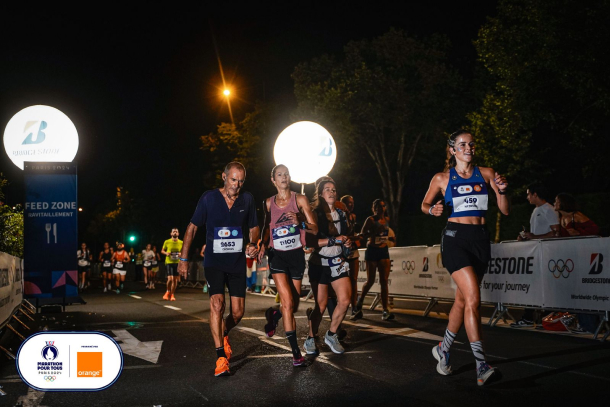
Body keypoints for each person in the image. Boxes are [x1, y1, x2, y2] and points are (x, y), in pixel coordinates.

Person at [422, 129, 509, 386]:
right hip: (455, 240)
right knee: (473, 297)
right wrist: (432, 210)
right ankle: (481, 365)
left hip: (480, 241)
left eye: (471, 144)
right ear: (452, 150)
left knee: (461, 301)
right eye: (462, 145)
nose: (468, 148)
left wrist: (502, 191)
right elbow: (424, 205)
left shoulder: (488, 173)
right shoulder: (441, 178)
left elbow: (504, 211)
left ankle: (444, 349)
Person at [178, 162, 259, 377]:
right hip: (214, 262)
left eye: (241, 181)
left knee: (238, 313)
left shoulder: (247, 199)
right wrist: (184, 258)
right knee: (217, 304)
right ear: (224, 177)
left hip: (236, 263)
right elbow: (192, 227)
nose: (237, 185)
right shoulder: (209, 198)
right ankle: (221, 357)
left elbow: (254, 227)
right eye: (233, 179)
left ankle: (222, 332)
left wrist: (254, 243)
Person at [258, 164, 318, 367]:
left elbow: (314, 227)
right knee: (287, 303)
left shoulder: (299, 199)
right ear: (273, 179)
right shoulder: (268, 203)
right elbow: (267, 228)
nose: (284, 177)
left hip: (295, 256)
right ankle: (295, 352)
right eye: (279, 174)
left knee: (294, 304)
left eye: (286, 174)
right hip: (277, 256)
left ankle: (274, 315)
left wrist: (301, 221)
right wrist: (261, 245)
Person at [304, 178, 352, 355]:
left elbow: (346, 237)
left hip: (337, 262)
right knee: (321, 305)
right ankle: (310, 337)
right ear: (321, 193)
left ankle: (331, 334)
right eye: (327, 189)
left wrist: (347, 243)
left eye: (334, 189)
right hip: (320, 262)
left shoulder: (342, 214)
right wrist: (334, 240)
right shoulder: (315, 214)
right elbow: (311, 242)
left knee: (345, 300)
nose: (332, 192)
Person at [511, 184, 559, 328]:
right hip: (537, 254)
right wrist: (526, 237)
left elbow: (556, 233)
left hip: (547, 255)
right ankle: (534, 318)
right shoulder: (536, 210)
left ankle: (541, 318)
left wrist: (534, 236)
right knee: (535, 286)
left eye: (528, 194)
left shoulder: (549, 210)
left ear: (535, 194)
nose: (527, 197)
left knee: (544, 286)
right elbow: (536, 234)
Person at [353, 199, 396, 321]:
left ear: (385, 208)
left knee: (384, 281)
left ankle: (385, 311)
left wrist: (391, 238)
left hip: (383, 251)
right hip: (372, 250)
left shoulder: (387, 220)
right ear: (374, 208)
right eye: (377, 206)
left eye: (382, 206)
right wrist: (373, 232)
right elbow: (362, 235)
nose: (380, 208)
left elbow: (389, 234)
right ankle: (360, 302)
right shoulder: (370, 220)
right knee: (370, 280)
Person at [340, 195, 362, 318]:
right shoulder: (339, 216)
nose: (351, 205)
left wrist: (357, 237)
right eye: (348, 203)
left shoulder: (353, 216)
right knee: (342, 280)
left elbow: (353, 234)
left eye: (352, 203)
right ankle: (341, 307)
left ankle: (354, 308)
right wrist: (355, 237)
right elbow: (342, 235)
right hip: (341, 252)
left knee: (353, 280)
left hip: (353, 251)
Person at [161, 229, 183, 301]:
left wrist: (181, 254)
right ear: (171, 233)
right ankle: (167, 291)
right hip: (169, 262)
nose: (175, 232)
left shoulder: (181, 242)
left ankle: (172, 294)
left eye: (176, 231)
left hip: (177, 262)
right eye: (174, 231)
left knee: (175, 280)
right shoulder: (167, 241)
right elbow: (162, 251)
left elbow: (184, 252)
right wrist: (166, 253)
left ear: (178, 234)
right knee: (170, 279)